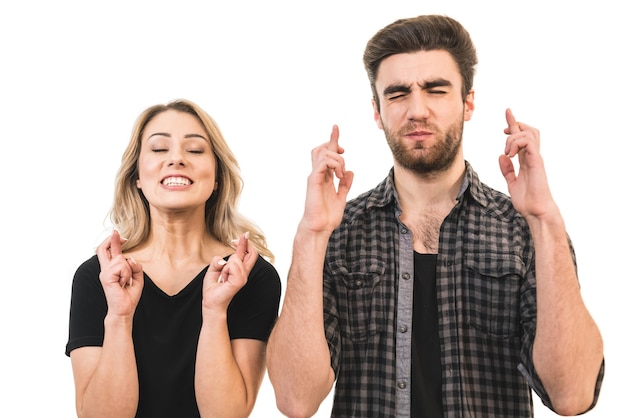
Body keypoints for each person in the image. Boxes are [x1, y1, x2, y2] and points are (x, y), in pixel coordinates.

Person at [266, 14, 604, 418]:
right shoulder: (338, 233)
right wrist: (311, 235)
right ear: (376, 111)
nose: (417, 110)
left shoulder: (526, 229)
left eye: (436, 90)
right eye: (397, 94)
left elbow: (573, 395)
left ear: (468, 103)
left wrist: (545, 219)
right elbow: (294, 400)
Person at [65, 99, 281, 417]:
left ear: (217, 176)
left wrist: (214, 310)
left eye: (194, 150)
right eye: (158, 149)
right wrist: (120, 318)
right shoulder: (99, 276)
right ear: (136, 175)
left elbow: (226, 414)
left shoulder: (249, 275)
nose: (177, 159)